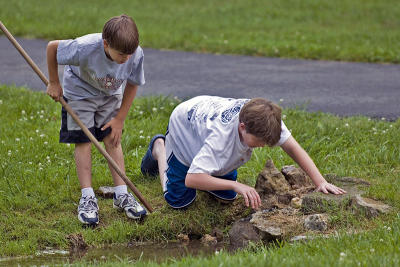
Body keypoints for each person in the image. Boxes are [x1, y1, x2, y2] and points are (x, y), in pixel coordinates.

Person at [141, 95, 346, 210]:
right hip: (184, 125)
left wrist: (320, 182)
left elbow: (292, 147)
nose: (264, 146)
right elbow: (192, 179)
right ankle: (160, 149)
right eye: (259, 142)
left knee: (227, 197)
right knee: (179, 201)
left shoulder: (268, 120)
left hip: (206, 124)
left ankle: (209, 167)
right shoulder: (220, 139)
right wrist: (235, 184)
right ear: (242, 127)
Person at [46, 14, 147, 225]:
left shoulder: (134, 53)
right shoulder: (84, 47)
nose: (126, 58)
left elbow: (133, 83)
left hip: (110, 95)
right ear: (105, 43)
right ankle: (88, 197)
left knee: (112, 138)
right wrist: (54, 82)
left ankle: (121, 194)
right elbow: (52, 48)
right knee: (84, 141)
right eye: (121, 54)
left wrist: (120, 119)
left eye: (130, 54)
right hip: (80, 93)